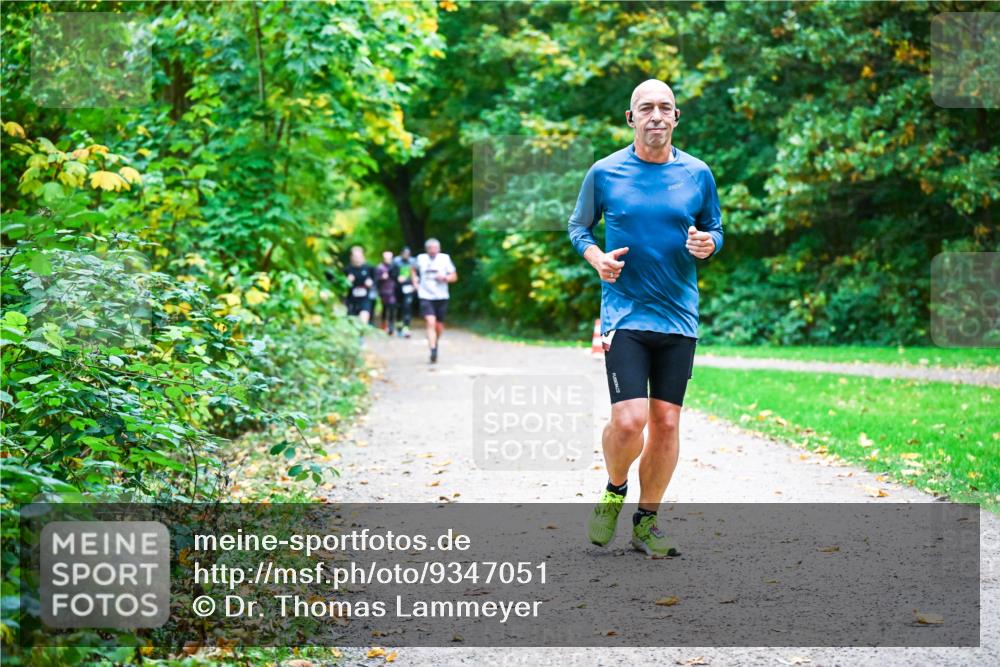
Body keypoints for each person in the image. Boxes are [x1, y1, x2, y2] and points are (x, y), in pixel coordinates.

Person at [568, 79, 724, 558]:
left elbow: (715, 227)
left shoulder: (698, 174)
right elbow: (579, 227)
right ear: (630, 118)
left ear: (676, 118)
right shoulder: (605, 172)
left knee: (667, 423)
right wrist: (596, 257)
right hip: (626, 312)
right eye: (646, 108)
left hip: (679, 316)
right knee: (630, 419)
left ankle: (646, 522)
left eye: (665, 108)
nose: (656, 115)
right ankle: (615, 489)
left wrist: (709, 243)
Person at [416, 238, 457, 363]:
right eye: (430, 248)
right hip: (425, 295)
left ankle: (435, 342)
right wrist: (415, 282)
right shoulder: (421, 258)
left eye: (435, 248)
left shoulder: (445, 258)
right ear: (427, 249)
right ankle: (433, 349)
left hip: (441, 296)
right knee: (430, 322)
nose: (433, 251)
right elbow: (412, 270)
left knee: (439, 326)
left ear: (439, 249)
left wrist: (445, 278)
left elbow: (454, 276)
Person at [344, 246, 375, 327]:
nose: (357, 258)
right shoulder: (347, 269)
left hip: (365, 299)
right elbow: (341, 286)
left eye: (359, 256)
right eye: (355, 256)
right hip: (351, 300)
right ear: (351, 257)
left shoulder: (369, 268)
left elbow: (376, 281)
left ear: (363, 256)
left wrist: (371, 283)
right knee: (352, 322)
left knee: (363, 318)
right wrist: (347, 282)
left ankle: (360, 337)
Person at [393, 246, 419, 337]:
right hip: (398, 288)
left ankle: (406, 327)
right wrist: (397, 278)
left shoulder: (413, 262)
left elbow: (416, 274)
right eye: (405, 254)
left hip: (409, 288)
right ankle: (399, 327)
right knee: (399, 307)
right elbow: (391, 274)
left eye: (408, 254)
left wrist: (415, 283)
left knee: (407, 306)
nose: (406, 255)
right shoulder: (396, 262)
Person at [375, 250, 399, 335]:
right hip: (383, 291)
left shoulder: (394, 267)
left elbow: (397, 278)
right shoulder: (380, 267)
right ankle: (384, 325)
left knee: (392, 308)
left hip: (393, 291)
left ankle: (391, 327)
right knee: (385, 308)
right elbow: (376, 280)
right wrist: (382, 278)